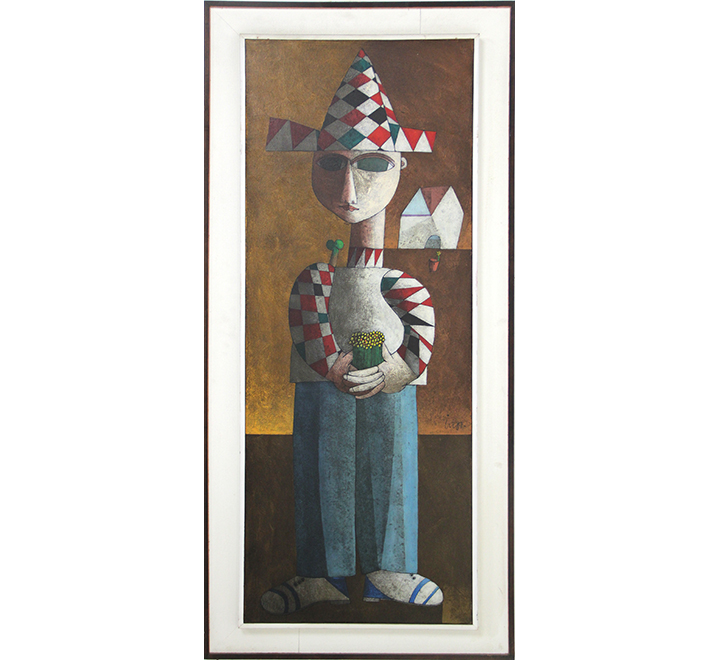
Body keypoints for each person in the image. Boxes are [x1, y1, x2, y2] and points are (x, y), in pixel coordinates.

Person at [262, 49, 440, 614]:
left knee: (392, 464)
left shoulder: (401, 282)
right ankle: (322, 573)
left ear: (399, 166)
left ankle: (392, 566)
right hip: (323, 389)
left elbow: (418, 332)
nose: (349, 187)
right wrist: (333, 365)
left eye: (372, 164)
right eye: (332, 164)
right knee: (322, 463)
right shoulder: (316, 276)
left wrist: (397, 369)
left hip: (389, 388)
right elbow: (308, 319)